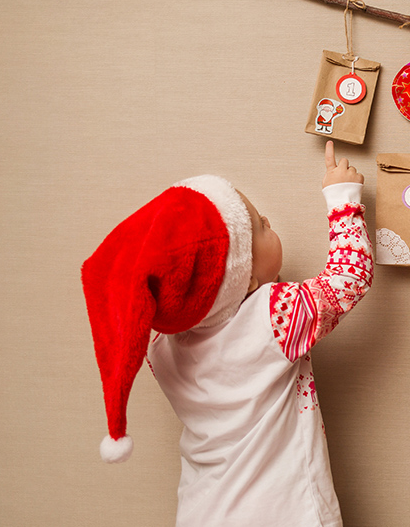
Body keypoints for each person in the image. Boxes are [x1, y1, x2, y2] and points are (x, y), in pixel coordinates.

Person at [81, 141, 372, 526]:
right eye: (260, 226)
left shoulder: (159, 352)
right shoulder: (276, 318)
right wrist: (342, 196)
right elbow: (349, 278)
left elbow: (220, 315)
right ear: (244, 277)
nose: (268, 220)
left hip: (204, 511)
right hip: (286, 512)